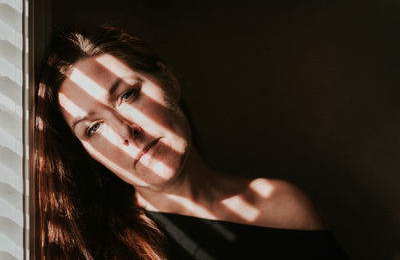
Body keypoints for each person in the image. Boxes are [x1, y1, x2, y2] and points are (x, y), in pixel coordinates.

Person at [35, 25, 347, 259]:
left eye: (128, 95)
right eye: (93, 128)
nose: (125, 132)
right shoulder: (103, 252)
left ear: (168, 80)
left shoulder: (281, 204)